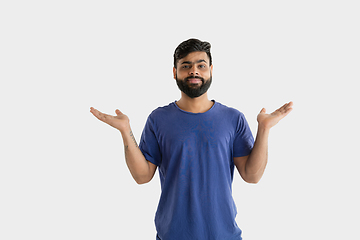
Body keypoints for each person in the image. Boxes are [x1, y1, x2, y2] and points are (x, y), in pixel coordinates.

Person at [90, 38, 293, 240]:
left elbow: (252, 176)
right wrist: (125, 130)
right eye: (185, 66)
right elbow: (142, 177)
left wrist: (264, 128)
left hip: (224, 235)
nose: (193, 71)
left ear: (211, 70)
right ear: (174, 72)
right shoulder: (158, 119)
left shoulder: (233, 118)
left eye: (201, 66)